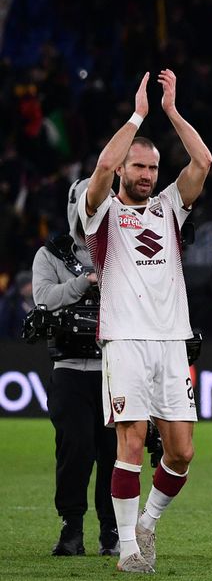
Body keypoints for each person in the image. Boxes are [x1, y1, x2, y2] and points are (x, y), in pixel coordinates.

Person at [78, 71, 212, 573]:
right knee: (131, 440)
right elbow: (104, 163)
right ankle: (129, 551)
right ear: (123, 171)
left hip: (172, 340)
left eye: (152, 168)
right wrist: (137, 114)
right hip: (125, 339)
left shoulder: (170, 207)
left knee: (181, 452)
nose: (146, 175)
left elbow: (203, 161)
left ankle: (147, 524)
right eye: (138, 166)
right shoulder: (101, 211)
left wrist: (172, 112)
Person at [31, 179, 117, 557]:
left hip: (115, 367)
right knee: (75, 448)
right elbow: (43, 300)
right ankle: (72, 530)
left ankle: (113, 532)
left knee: (115, 453)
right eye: (90, 201)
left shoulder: (125, 249)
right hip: (69, 368)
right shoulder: (48, 255)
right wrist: (86, 282)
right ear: (76, 205)